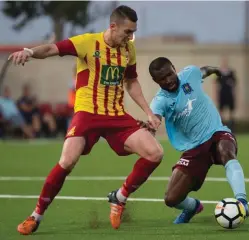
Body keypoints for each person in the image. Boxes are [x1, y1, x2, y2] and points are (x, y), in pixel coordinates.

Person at [9, 5, 163, 235]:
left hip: (115, 115)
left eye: (133, 32)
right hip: (87, 113)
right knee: (67, 161)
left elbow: (131, 82)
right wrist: (29, 52)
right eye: (127, 32)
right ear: (113, 26)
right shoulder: (87, 42)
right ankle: (36, 215)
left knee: (155, 153)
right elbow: (52, 48)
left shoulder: (128, 49)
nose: (130, 37)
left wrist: (148, 112)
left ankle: (119, 198)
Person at [139, 57, 249, 224]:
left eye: (170, 74)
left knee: (227, 151)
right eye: (162, 79)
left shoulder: (190, 74)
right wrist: (150, 126)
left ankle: (242, 202)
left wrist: (217, 70)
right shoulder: (160, 101)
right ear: (155, 81)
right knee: (171, 198)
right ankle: (193, 207)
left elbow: (205, 70)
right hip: (194, 147)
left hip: (217, 132)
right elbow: (154, 119)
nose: (168, 80)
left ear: (174, 69)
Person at [215, 57, 237, 131]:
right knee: (221, 111)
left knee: (231, 111)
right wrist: (216, 95)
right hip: (222, 93)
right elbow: (216, 85)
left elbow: (234, 84)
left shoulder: (231, 73)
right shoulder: (219, 73)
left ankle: (232, 128)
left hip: (229, 93)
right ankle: (222, 128)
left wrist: (234, 94)